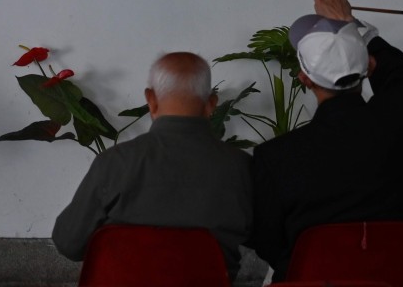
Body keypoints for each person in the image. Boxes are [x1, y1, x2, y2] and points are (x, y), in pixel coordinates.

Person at [249, 0, 403, 286]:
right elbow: (399, 76)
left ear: (304, 78)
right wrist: (348, 24)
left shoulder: (274, 157)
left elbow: (267, 240)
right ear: (369, 66)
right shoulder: (396, 124)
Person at [52, 51, 253, 282]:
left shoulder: (115, 163)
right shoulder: (241, 167)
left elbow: (69, 243)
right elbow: (262, 238)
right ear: (212, 104)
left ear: (151, 99)